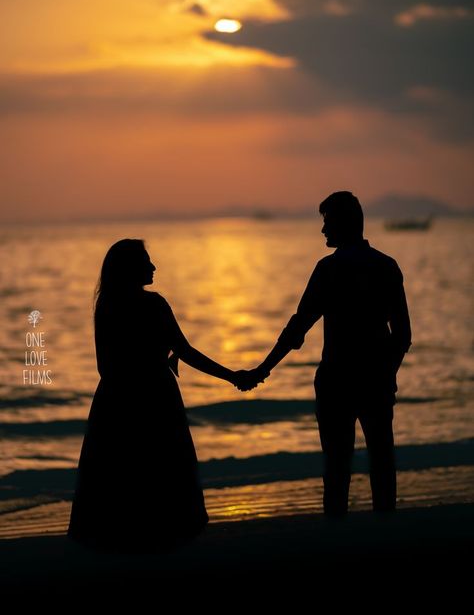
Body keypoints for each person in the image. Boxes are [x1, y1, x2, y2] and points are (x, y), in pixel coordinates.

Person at [68, 238, 260, 553]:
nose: (153, 266)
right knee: (161, 470)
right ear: (131, 268)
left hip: (115, 399)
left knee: (121, 475)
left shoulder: (107, 305)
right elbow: (186, 351)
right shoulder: (153, 304)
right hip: (156, 396)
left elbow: (106, 366)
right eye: (146, 261)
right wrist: (232, 376)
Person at [243, 191, 411, 516]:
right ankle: (387, 533)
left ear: (344, 224)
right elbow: (402, 336)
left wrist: (261, 370)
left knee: (336, 467)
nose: (323, 230)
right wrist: (386, 373)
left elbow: (297, 329)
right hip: (375, 380)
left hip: (336, 382)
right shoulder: (386, 267)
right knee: (381, 461)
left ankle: (336, 534)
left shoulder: (329, 270)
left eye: (327, 222)